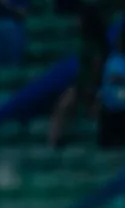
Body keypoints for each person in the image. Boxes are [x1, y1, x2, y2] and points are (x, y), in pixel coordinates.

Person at [49, 3, 108, 147]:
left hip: (92, 86)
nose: (77, 22)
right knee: (62, 105)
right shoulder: (84, 42)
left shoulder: (96, 45)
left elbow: (97, 68)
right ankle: (53, 142)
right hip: (81, 85)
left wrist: (92, 88)